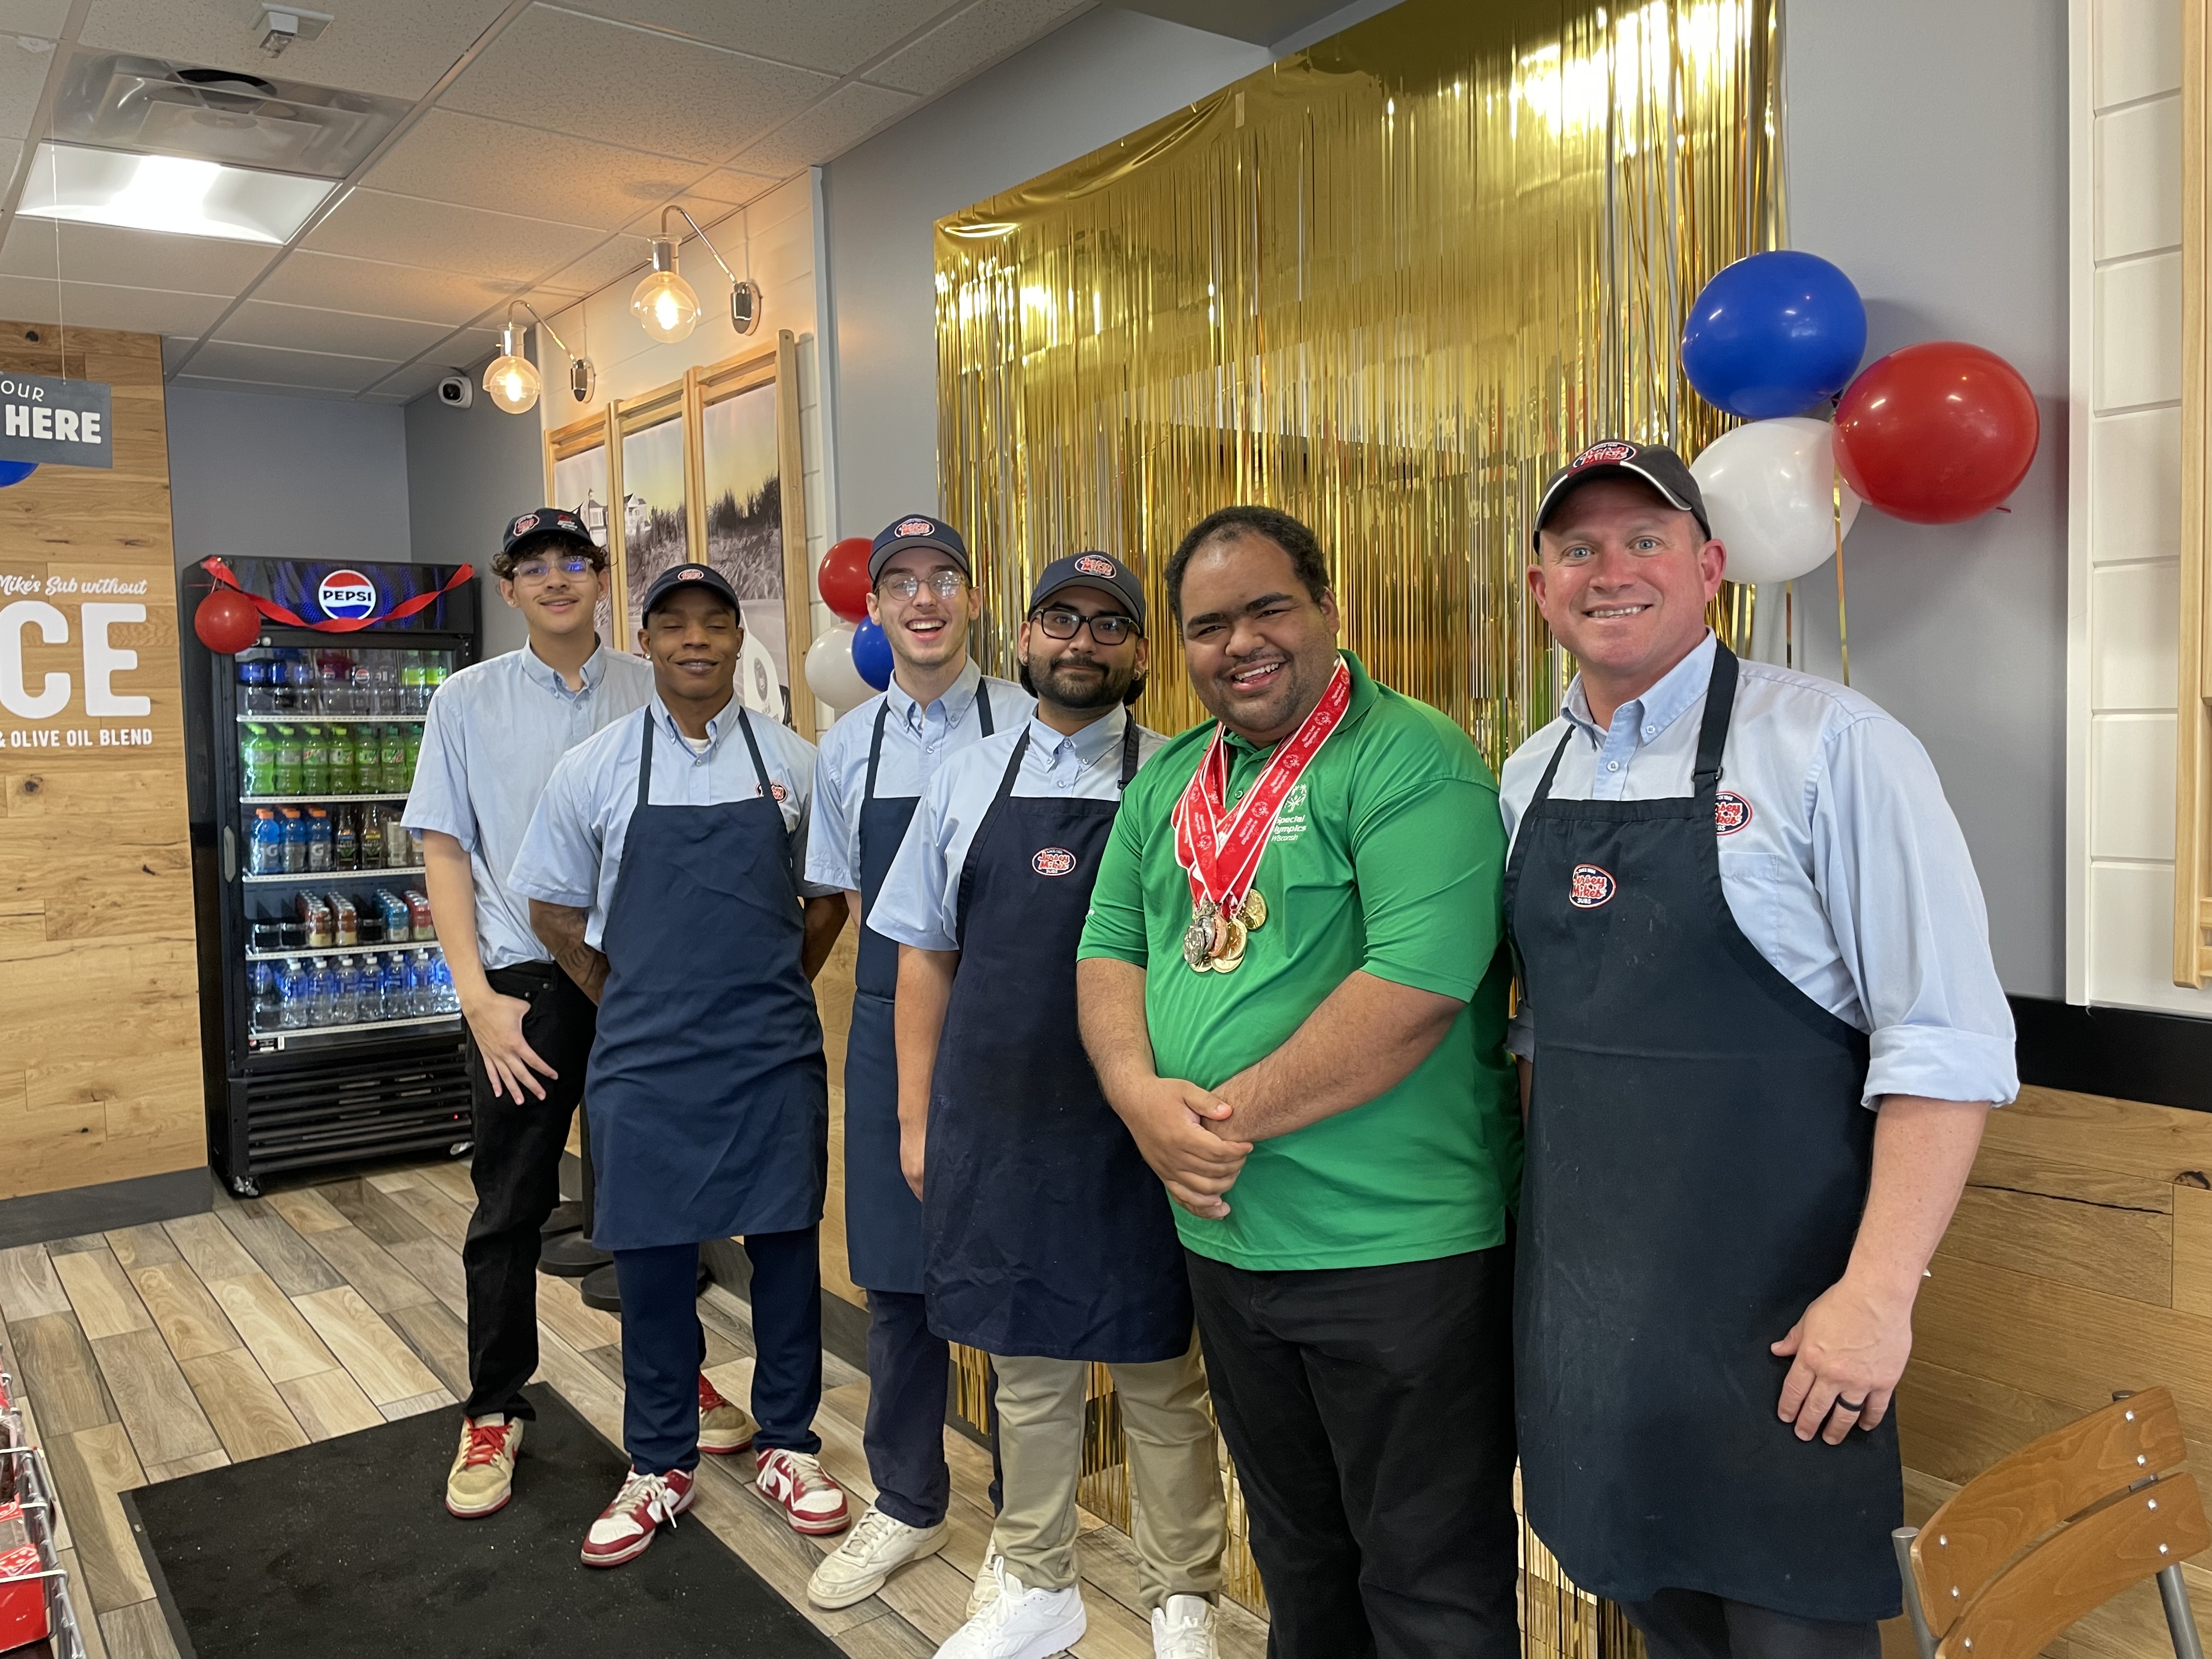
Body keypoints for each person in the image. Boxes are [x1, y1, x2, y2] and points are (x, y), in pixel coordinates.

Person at [1502, 440, 2016, 1659]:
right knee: (1655, 1615)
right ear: (1540, 588)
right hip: (1592, 1332)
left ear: (1711, 567)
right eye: (1578, 548)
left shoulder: (1835, 746)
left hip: (1789, 1332)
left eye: (1647, 540)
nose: (1611, 571)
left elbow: (1944, 1045)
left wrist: (1876, 1298)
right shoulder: (1528, 775)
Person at [1075, 507, 1523, 1659]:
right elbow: (1110, 947)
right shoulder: (1169, 780)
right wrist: (1134, 1093)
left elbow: (1415, 990)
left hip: (1395, 1253)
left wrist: (1211, 1126)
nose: (1240, 643)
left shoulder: (1410, 757)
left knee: (1429, 1580)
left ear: (1327, 608)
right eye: (1208, 625)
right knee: (1298, 1557)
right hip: (1229, 1244)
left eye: (1268, 608)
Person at [868, 552, 1226, 1659]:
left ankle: (1183, 1596)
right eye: (1061, 619)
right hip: (1002, 1120)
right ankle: (1036, 1580)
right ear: (1023, 639)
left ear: (1142, 653)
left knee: (1163, 1375)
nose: (1082, 641)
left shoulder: (1189, 776)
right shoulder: (964, 778)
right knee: (1027, 1370)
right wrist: (917, 1122)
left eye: (1109, 625)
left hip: (1142, 1122)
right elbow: (924, 957)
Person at [404, 510, 753, 1521]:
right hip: (524, 986)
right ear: (508, 588)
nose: (556, 579)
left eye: (574, 562)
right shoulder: (466, 702)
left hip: (645, 977)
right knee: (510, 1202)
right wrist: (478, 999)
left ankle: (675, 1376)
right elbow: (444, 852)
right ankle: (494, 1407)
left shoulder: (658, 685)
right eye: (534, 567)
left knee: (655, 1196)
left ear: (604, 580)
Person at [509, 563, 853, 1567]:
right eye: (674, 625)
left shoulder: (794, 763)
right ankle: (659, 1461)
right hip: (643, 1057)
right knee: (652, 1260)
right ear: (648, 643)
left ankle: (788, 1444)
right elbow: (552, 909)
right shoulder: (596, 768)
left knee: (785, 1251)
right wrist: (624, 997)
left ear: (739, 640)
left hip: (770, 1052)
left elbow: (825, 902)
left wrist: (766, 989)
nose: (695, 640)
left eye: (714, 623)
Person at [804, 515, 1034, 1606]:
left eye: (945, 578)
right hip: (892, 1018)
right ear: (876, 608)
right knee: (896, 1280)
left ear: (975, 599)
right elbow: (858, 904)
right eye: (901, 583)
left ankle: (1027, 1526)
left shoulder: (1034, 725)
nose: (925, 599)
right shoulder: (846, 749)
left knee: (1023, 1275)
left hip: (1022, 1027)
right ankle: (907, 1500)